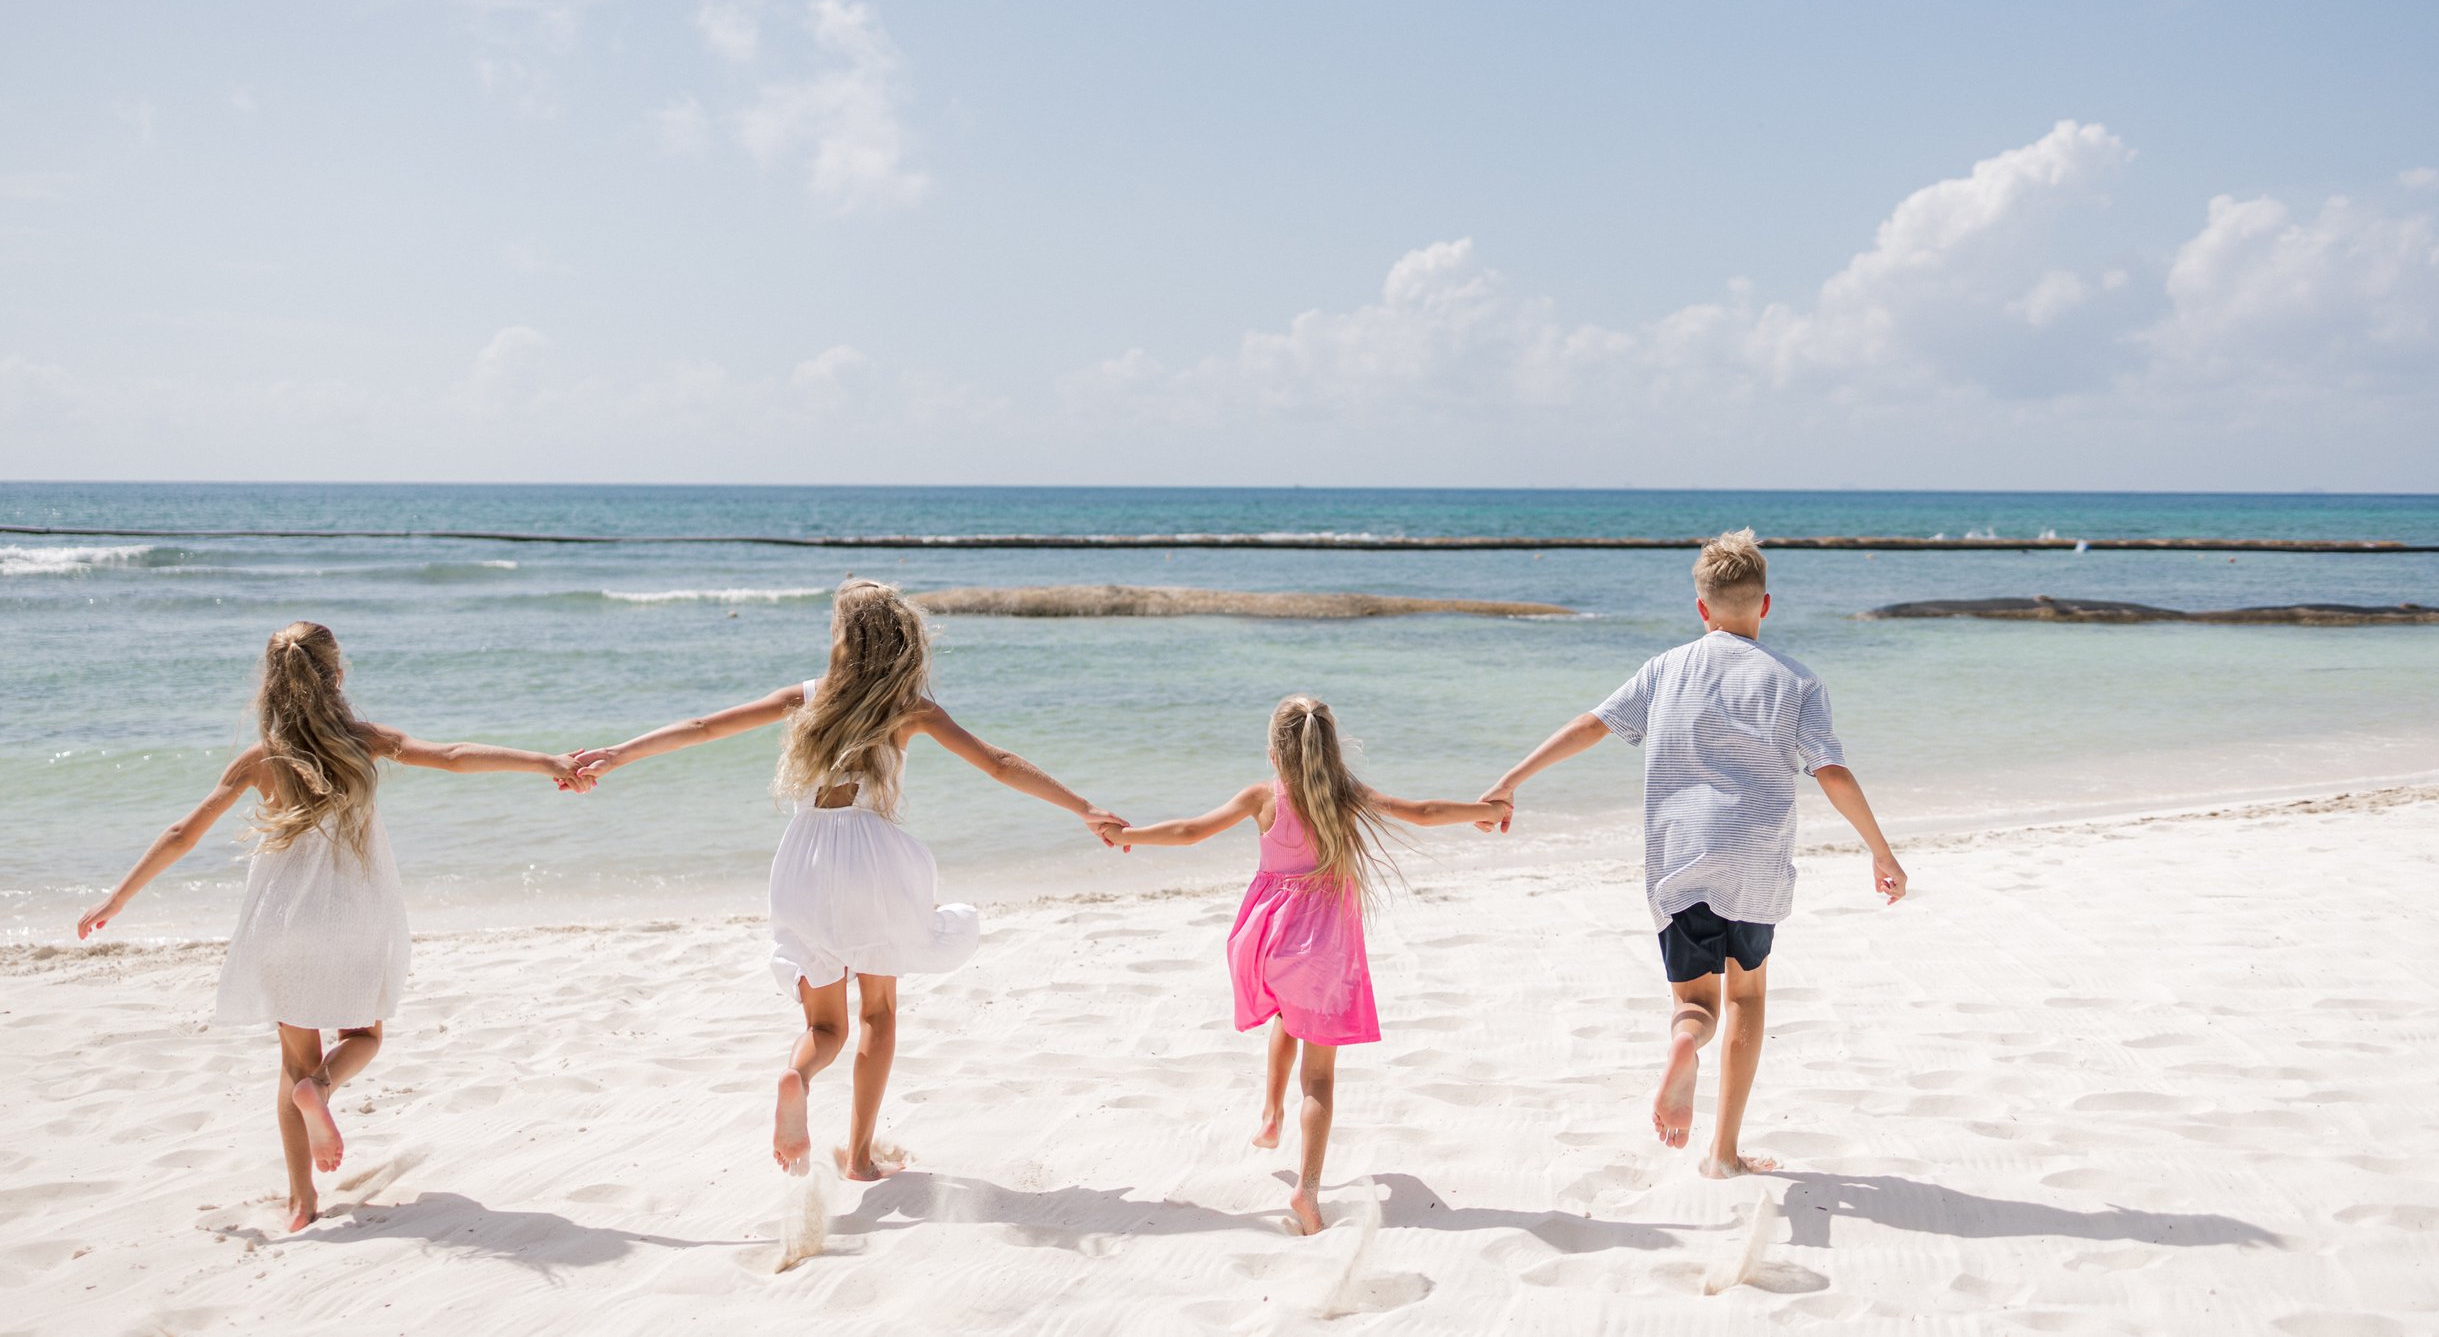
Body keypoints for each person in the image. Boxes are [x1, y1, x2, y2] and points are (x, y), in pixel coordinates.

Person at [568, 579, 1125, 1179]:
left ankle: (798, 1075)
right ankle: (859, 1158)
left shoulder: (809, 696)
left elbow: (704, 727)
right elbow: (997, 763)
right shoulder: (911, 708)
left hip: (804, 863)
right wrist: (1083, 807)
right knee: (878, 1014)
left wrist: (617, 753)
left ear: (843, 640)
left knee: (824, 1023)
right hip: (873, 864)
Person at [74, 621, 587, 1232]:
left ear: (271, 686)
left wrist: (117, 898)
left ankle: (301, 1202)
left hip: (283, 926)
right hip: (355, 919)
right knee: (363, 1037)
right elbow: (453, 757)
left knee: (291, 1064)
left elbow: (183, 832)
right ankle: (322, 1087)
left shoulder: (260, 761)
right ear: (337, 677)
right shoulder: (364, 740)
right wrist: (547, 761)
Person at [1480, 528, 1906, 1177]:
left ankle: (1685, 1042)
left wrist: (1511, 779)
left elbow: (1590, 725)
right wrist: (1881, 851)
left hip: (1678, 858)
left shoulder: (1665, 668)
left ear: (1701, 607)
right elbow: (1831, 771)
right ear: (1764, 605)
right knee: (1749, 997)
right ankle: (1723, 1151)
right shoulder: (1796, 679)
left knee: (1696, 1004)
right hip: (1755, 861)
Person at [1106, 694, 1509, 1235]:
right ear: (1330, 747)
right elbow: (1425, 813)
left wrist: (1126, 835)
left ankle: (1270, 1117)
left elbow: (1189, 832)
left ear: (1274, 752)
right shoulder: (1345, 795)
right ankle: (1308, 1189)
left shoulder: (1261, 797)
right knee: (1319, 1077)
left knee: (1283, 1018)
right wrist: (1488, 811)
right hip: (1322, 950)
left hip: (1268, 938)